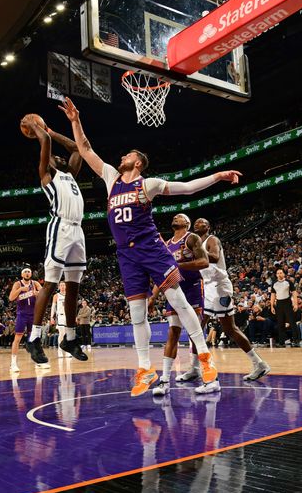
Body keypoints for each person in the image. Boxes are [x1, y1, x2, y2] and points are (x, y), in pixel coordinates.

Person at [60, 97, 242, 397]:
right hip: (126, 255)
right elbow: (86, 150)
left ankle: (206, 359)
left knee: (180, 303)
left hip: (152, 249)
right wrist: (75, 121)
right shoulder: (111, 178)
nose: (122, 157)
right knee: (136, 314)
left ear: (138, 162)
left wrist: (218, 176)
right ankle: (145, 368)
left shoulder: (149, 184)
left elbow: (188, 187)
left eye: (128, 155)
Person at [174, 218, 271, 393]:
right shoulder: (195, 242)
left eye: (202, 222)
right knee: (215, 328)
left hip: (219, 286)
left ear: (208, 226)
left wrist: (196, 255)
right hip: (208, 286)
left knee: (216, 327)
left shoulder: (212, 240)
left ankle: (257, 364)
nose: (198, 223)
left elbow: (215, 257)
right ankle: (196, 368)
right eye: (196, 222)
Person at [21, 118, 88, 365]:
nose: (57, 157)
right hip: (60, 227)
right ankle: (35, 338)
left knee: (73, 287)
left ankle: (69, 337)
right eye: (53, 157)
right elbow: (46, 142)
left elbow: (75, 148)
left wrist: (51, 129)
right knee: (50, 283)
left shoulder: (70, 175)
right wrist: (38, 128)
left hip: (77, 231)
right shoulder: (47, 174)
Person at [147, 213, 209, 396]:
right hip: (173, 289)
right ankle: (165, 379)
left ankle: (202, 371)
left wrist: (179, 266)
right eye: (174, 216)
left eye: (180, 216)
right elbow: (163, 273)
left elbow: (204, 262)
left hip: (192, 288)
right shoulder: (166, 244)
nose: (175, 217)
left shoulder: (192, 238)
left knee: (195, 331)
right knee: (173, 332)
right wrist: (153, 297)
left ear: (187, 223)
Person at [7, 268, 42, 373]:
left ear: (31, 274)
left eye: (29, 272)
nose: (27, 273)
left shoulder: (35, 283)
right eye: (25, 272)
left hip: (33, 314)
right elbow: (11, 298)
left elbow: (43, 293)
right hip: (22, 314)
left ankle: (37, 361)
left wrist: (37, 293)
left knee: (35, 338)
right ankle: (13, 364)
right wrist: (20, 290)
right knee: (17, 338)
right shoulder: (17, 284)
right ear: (22, 274)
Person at [270, 269, 298, 345]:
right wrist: (272, 306)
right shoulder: (274, 283)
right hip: (278, 303)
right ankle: (282, 341)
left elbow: (294, 293)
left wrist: (295, 304)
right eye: (278, 273)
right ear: (276, 275)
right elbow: (273, 295)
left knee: (292, 322)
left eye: (281, 273)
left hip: (287, 302)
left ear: (284, 274)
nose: (279, 274)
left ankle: (296, 340)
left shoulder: (289, 282)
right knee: (280, 323)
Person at [51, 281, 72, 358]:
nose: (62, 287)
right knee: (62, 334)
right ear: (59, 287)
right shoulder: (56, 296)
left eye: (64, 285)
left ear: (66, 286)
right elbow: (53, 307)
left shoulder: (69, 295)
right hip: (60, 316)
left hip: (68, 316)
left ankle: (67, 351)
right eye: (61, 285)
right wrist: (51, 317)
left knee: (68, 334)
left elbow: (72, 307)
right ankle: (60, 350)